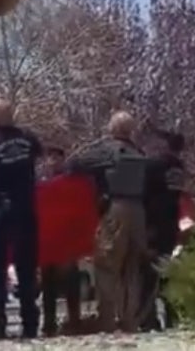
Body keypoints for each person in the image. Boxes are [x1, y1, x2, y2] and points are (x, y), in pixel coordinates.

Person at [66, 111, 149, 333]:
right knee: (131, 267)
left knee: (107, 264)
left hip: (116, 209)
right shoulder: (139, 151)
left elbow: (74, 164)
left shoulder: (106, 150)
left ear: (112, 129)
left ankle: (106, 319)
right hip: (139, 211)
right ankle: (130, 319)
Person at [0, 99, 42, 339]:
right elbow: (38, 159)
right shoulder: (29, 138)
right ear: (12, 115)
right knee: (26, 267)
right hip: (25, 209)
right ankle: (30, 324)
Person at [140, 130, 187, 331]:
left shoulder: (154, 166)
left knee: (148, 273)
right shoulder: (179, 168)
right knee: (167, 270)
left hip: (153, 224)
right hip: (170, 223)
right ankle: (171, 315)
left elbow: (144, 194)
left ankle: (148, 318)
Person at [39, 146, 82, 336]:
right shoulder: (41, 184)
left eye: (57, 157)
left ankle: (75, 320)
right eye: (50, 157)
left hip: (67, 235)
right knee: (48, 282)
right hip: (48, 236)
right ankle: (49, 323)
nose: (53, 161)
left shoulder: (71, 182)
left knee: (71, 280)